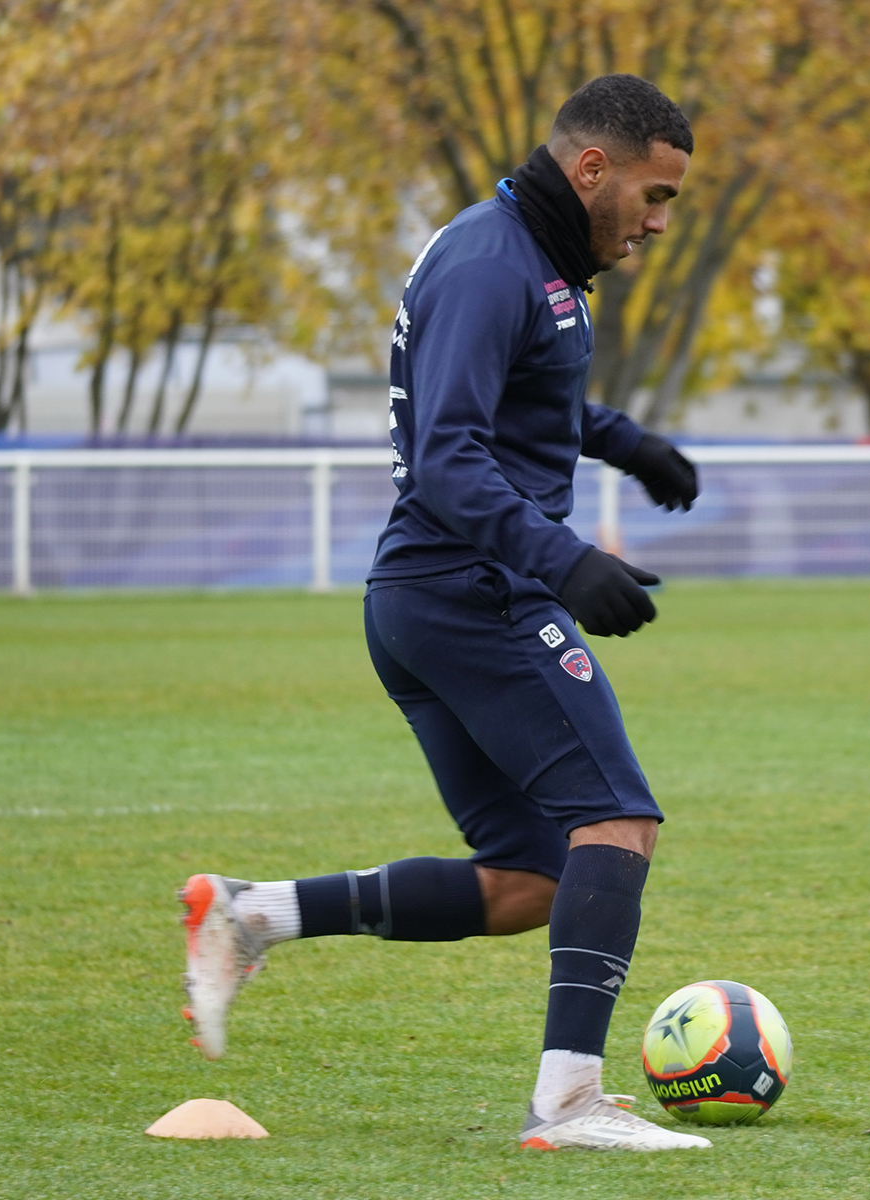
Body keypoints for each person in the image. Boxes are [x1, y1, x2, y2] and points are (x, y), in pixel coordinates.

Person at [176, 75, 711, 1152]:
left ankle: (251, 915)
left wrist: (621, 442)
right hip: (477, 592)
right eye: (653, 196)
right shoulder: (490, 261)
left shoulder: (527, 256)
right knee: (618, 822)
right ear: (592, 169)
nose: (658, 222)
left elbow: (523, 398)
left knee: (528, 882)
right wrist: (564, 560)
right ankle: (567, 1104)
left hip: (432, 600)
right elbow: (448, 456)